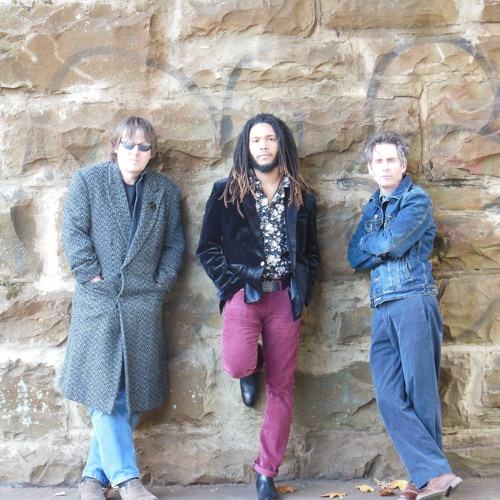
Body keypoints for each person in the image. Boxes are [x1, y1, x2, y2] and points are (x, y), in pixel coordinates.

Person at [59, 116, 185, 500]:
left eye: (144, 146)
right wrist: (90, 274)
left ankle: (92, 479)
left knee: (131, 396)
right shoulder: (88, 181)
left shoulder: (164, 192)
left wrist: (161, 284)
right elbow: (73, 232)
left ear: (152, 152)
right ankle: (128, 481)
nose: (136, 151)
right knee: (104, 391)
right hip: (99, 303)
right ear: (116, 146)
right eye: (129, 144)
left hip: (142, 305)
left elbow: (175, 244)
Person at [197, 113, 320, 500]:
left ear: (281, 144)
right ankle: (252, 364)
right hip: (244, 293)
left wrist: (302, 291)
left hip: (284, 297)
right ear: (246, 147)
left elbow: (311, 253)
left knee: (282, 387)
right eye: (256, 140)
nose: (263, 146)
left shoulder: (302, 196)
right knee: (236, 363)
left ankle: (266, 472)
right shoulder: (226, 192)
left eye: (270, 139)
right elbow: (207, 248)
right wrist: (232, 286)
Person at [347, 131, 462, 500]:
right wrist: (378, 245)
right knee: (388, 395)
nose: (384, 166)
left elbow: (392, 243)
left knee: (420, 391)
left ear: (403, 165)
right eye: (378, 161)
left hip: (413, 299)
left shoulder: (417, 200)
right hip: (382, 305)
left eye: (390, 160)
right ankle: (432, 473)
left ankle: (427, 477)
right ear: (370, 168)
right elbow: (354, 256)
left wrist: (377, 244)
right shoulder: (372, 207)